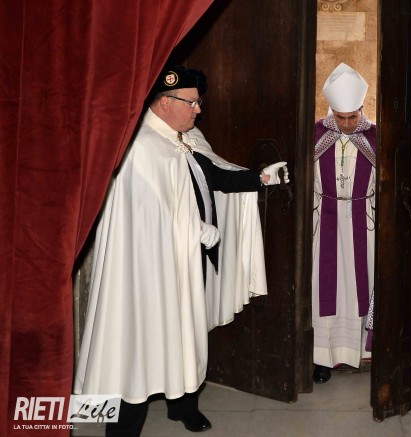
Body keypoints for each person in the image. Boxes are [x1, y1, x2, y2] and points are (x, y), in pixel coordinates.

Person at [74, 65, 289, 436]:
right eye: (192, 102)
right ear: (164, 102)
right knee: (138, 343)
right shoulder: (141, 147)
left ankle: (183, 406)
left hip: (184, 258)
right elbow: (148, 213)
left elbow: (213, 174)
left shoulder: (183, 138)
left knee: (184, 330)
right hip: (146, 269)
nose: (198, 110)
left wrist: (261, 177)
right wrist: (200, 230)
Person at [312, 63, 376, 384]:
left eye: (353, 117)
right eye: (341, 118)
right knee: (324, 289)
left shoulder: (375, 137)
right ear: (331, 111)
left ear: (361, 110)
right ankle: (321, 357)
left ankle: (362, 351)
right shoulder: (315, 136)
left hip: (364, 224)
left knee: (361, 285)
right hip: (324, 221)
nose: (348, 124)